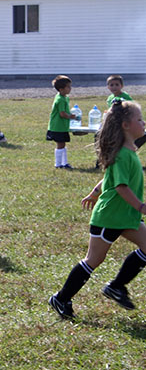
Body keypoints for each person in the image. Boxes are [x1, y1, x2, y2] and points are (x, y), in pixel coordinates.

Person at [49, 101, 146, 320]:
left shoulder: (129, 151)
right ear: (125, 125)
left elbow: (109, 178)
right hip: (109, 217)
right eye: (139, 120)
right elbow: (121, 187)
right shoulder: (122, 155)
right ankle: (61, 298)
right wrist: (141, 207)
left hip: (124, 216)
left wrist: (94, 192)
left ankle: (116, 286)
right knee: (94, 259)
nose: (143, 123)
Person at [46, 75, 75, 170]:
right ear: (61, 89)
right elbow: (62, 114)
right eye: (68, 87)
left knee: (63, 144)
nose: (70, 88)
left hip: (62, 126)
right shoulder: (60, 99)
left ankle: (64, 162)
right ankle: (58, 164)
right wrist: (70, 116)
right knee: (60, 144)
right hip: (57, 126)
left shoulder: (65, 98)